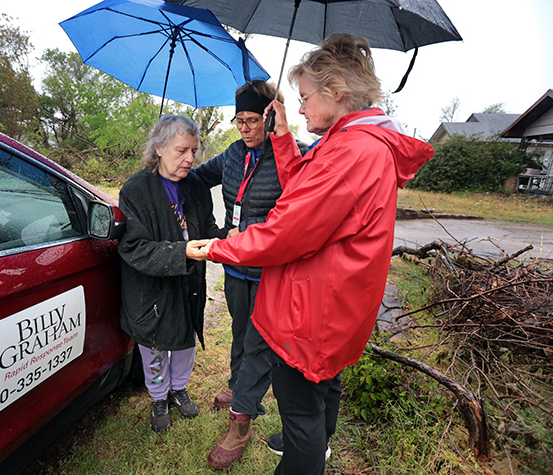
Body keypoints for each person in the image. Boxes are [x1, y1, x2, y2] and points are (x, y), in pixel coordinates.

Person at [189, 34, 434, 474]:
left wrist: (221, 248)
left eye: (304, 98)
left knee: (299, 400)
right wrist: (282, 137)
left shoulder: (352, 154)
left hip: (313, 313)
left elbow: (287, 232)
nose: (299, 108)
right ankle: (314, 438)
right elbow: (307, 186)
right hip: (336, 305)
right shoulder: (350, 142)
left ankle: (306, 452)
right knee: (325, 383)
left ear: (336, 92)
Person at [191, 80, 308, 469]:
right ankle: (235, 383)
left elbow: (302, 201)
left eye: (252, 120)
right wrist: (163, 174)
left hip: (271, 271)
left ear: (270, 116)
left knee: (259, 343)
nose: (244, 127)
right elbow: (196, 178)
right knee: (241, 330)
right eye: (238, 120)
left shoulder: (291, 156)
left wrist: (282, 135)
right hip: (235, 266)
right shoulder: (232, 154)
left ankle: (242, 422)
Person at [118, 115, 220, 433]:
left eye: (194, 150)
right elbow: (133, 247)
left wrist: (224, 239)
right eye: (181, 150)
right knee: (155, 347)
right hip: (152, 290)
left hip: (188, 283)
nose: (190, 159)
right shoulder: (135, 190)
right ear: (159, 148)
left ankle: (179, 389)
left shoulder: (197, 187)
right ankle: (159, 396)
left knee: (185, 341)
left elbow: (209, 227)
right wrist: (181, 252)